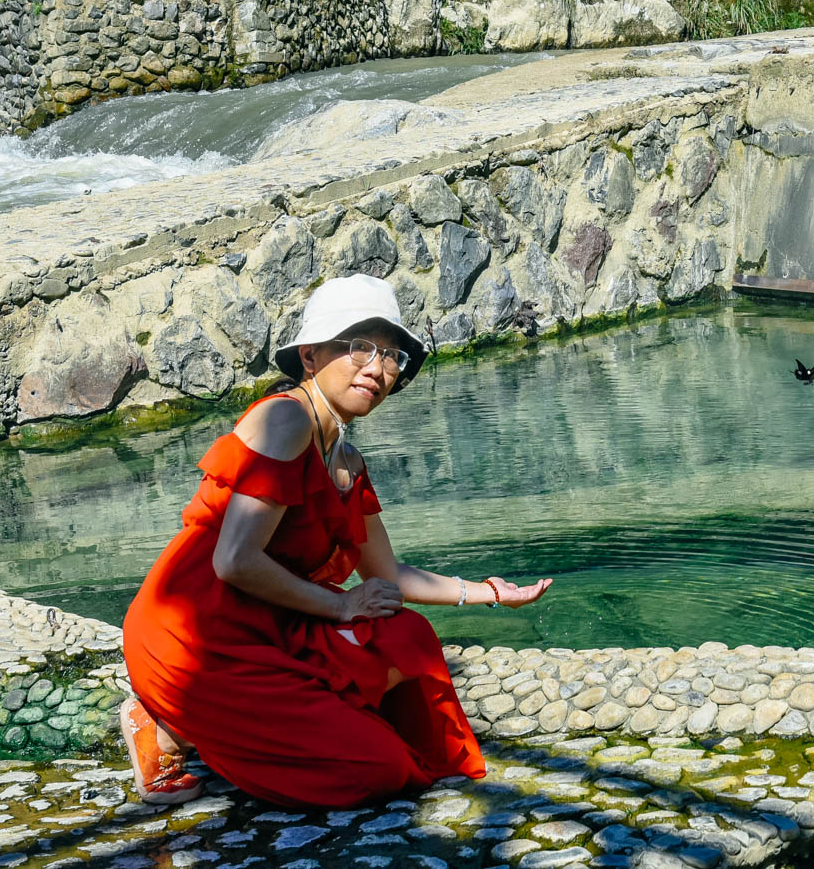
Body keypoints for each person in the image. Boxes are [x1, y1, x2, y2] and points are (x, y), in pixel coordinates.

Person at [119, 274, 553, 808]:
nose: (377, 368)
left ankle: (222, 725)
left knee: (407, 637)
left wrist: (489, 592)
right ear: (309, 356)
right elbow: (234, 561)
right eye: (359, 347)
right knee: (377, 770)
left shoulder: (348, 460)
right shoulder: (285, 418)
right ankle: (166, 727)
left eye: (391, 355)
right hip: (196, 636)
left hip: (266, 622)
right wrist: (342, 605)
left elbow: (388, 576)